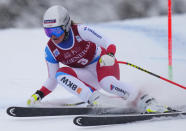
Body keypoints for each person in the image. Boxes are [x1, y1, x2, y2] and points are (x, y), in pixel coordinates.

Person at [27, 5, 170, 113]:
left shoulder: (81, 31)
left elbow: (108, 43)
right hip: (87, 75)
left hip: (102, 63)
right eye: (48, 31)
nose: (53, 36)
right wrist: (38, 95)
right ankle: (97, 99)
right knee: (60, 75)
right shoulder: (51, 50)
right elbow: (52, 79)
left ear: (65, 26)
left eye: (56, 30)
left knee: (107, 83)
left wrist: (110, 55)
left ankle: (149, 101)